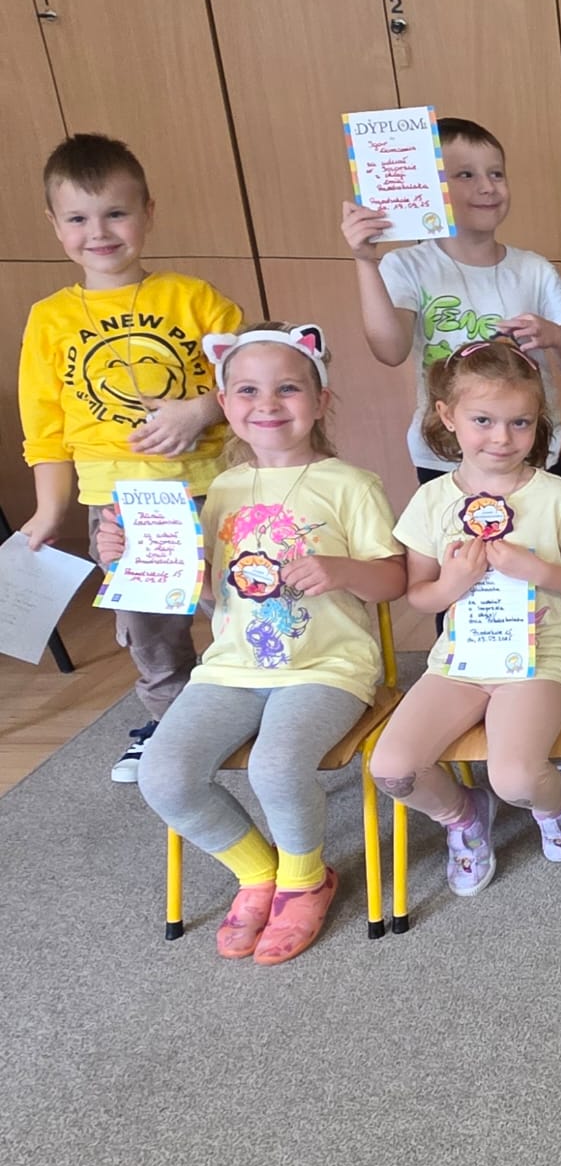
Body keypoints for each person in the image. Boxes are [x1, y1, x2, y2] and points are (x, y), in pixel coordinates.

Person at [121, 325, 406, 962]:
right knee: (163, 774)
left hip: (327, 668)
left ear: (321, 400)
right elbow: (206, 590)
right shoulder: (223, 489)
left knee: (277, 767)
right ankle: (258, 872)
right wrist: (134, 557)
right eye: (247, 390)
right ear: (224, 405)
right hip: (230, 669)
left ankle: (305, 880)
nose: (268, 403)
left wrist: (342, 570)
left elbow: (394, 581)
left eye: (288, 389)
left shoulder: (350, 484)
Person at [16, 133, 243, 782]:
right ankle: (173, 727)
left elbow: (256, 378)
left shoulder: (193, 298)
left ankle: (256, 700)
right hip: (119, 507)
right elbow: (46, 430)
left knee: (239, 601)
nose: (99, 232)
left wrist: (201, 409)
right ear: (54, 225)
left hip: (211, 489)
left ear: (148, 211)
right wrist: (49, 511)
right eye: (78, 218)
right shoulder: (50, 319)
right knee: (150, 626)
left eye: (116, 213)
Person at [371, 337, 561, 901]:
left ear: (538, 422)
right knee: (393, 769)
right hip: (459, 661)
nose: (502, 438)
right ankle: (463, 815)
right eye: (483, 420)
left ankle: (559, 803)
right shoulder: (431, 501)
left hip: (540, 657)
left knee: (518, 779)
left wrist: (540, 570)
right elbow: (419, 596)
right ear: (447, 416)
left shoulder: (554, 495)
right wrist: (450, 585)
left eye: (520, 423)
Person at [342, 114, 561, 484]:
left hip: (529, 450)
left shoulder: (534, 269)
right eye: (465, 175)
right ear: (429, 187)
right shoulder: (407, 266)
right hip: (445, 456)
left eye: (496, 174)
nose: (488, 187)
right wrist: (365, 261)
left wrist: (555, 336)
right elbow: (389, 350)